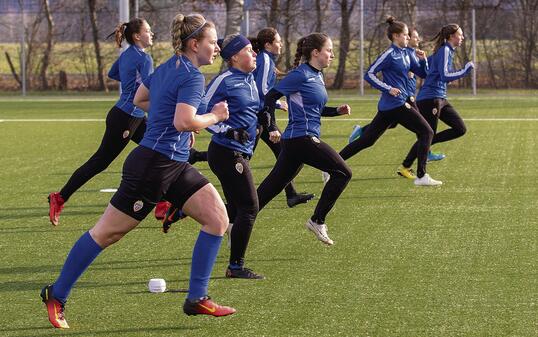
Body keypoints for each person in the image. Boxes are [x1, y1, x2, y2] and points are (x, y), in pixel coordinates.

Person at [40, 13, 236, 329]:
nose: (217, 48)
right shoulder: (192, 77)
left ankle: (197, 298)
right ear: (194, 43)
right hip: (153, 167)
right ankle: (57, 293)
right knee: (106, 233)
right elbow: (184, 122)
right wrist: (212, 116)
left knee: (217, 218)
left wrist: (173, 117)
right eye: (213, 42)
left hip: (172, 164)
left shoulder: (166, 67)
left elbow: (140, 98)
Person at [48, 18, 154, 226]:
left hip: (132, 116)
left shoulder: (126, 55)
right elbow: (152, 90)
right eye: (148, 31)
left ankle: (166, 202)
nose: (152, 34)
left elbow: (112, 73)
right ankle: (59, 197)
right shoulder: (145, 59)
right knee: (100, 162)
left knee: (161, 151)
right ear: (137, 36)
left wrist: (131, 82)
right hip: (126, 118)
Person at [256, 33, 352, 246]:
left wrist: (337, 111)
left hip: (296, 142)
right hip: (301, 138)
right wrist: (271, 126)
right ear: (315, 53)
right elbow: (270, 98)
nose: (332, 55)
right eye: (329, 50)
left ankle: (234, 220)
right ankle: (317, 221)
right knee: (343, 173)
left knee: (268, 190)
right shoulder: (299, 75)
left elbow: (315, 109)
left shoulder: (317, 75)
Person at [338, 17, 440, 186]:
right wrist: (388, 88)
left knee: (367, 140)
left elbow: (423, 74)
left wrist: (424, 61)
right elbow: (369, 74)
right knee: (427, 132)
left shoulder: (406, 54)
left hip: (391, 107)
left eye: (408, 35)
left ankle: (332, 164)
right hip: (396, 104)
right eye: (405, 35)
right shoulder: (389, 54)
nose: (408, 38)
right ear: (395, 36)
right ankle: (421, 176)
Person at [197, 34, 265, 279]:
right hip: (226, 152)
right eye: (249, 50)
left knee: (236, 209)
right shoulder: (224, 80)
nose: (255, 53)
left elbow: (251, 108)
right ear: (235, 56)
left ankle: (181, 209)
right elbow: (199, 112)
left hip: (240, 152)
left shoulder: (250, 79)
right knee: (250, 206)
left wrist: (263, 118)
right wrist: (228, 130)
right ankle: (236, 266)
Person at [250, 28, 314, 208]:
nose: (281, 44)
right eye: (278, 41)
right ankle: (197, 157)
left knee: (283, 153)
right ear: (268, 44)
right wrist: (279, 104)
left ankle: (291, 194)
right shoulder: (264, 59)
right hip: (260, 116)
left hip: (262, 115)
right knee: (238, 157)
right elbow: (262, 91)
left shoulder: (266, 59)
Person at [400, 23, 473, 176]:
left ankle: (425, 146)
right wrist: (464, 71)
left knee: (460, 129)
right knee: (427, 135)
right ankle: (406, 167)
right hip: (430, 99)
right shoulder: (445, 49)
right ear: (451, 37)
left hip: (440, 98)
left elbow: (430, 72)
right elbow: (445, 75)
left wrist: (424, 61)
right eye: (460, 35)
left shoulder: (445, 51)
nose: (462, 38)